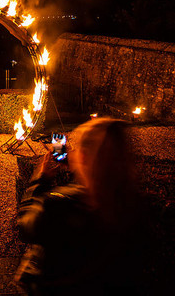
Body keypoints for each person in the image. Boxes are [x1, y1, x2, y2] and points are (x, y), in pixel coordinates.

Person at [15, 117, 146, 296]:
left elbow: (25, 226)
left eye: (78, 149)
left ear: (83, 156)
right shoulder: (134, 207)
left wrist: (42, 178)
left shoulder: (59, 205)